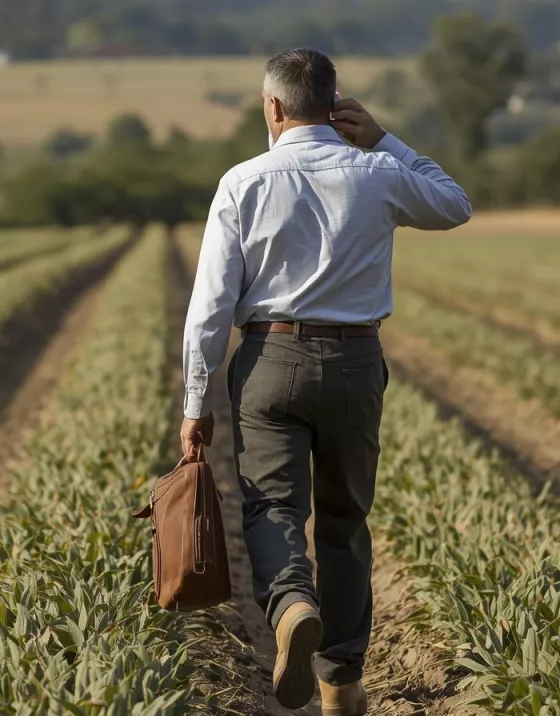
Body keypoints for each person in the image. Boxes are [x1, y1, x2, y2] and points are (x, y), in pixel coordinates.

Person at [179, 47, 471, 715]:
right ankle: (341, 681)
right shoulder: (376, 172)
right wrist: (386, 139)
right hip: (355, 364)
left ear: (274, 108)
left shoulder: (242, 182)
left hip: (269, 362)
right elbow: (455, 205)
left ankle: (289, 605)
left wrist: (196, 402)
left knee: (272, 507)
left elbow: (209, 309)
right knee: (344, 521)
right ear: (334, 106)